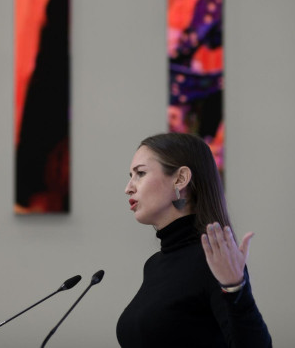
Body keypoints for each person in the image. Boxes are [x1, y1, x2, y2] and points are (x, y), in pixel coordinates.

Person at [116, 133, 271, 347]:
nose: (128, 188)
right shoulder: (154, 265)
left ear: (180, 179)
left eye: (140, 173)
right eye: (131, 175)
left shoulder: (214, 261)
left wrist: (235, 288)